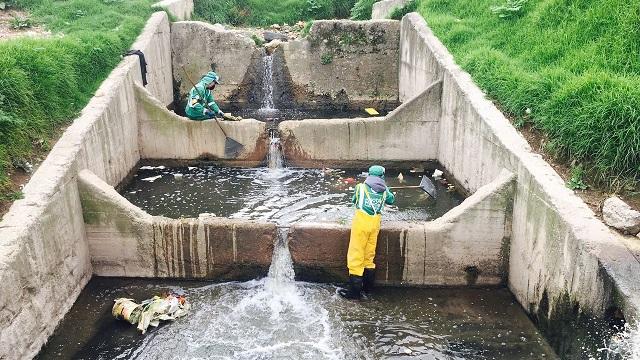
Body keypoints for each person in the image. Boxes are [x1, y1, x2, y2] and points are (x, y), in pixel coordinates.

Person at [339, 165, 395, 300]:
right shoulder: (384, 191)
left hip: (361, 224)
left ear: (369, 176)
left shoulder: (360, 187)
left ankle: (354, 293)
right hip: (375, 225)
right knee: (369, 256)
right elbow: (391, 200)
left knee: (356, 255)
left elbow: (354, 201)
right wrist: (386, 189)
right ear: (382, 177)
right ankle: (367, 289)